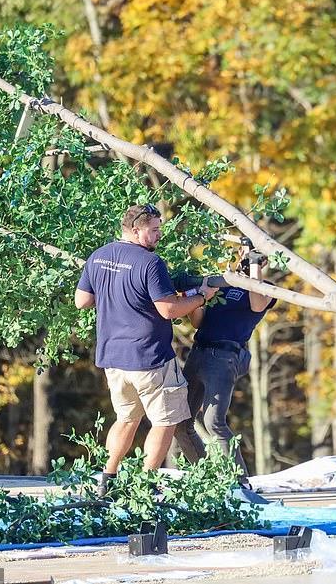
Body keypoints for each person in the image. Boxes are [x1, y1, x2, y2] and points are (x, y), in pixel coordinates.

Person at [75, 204, 218, 492]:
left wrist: (115, 294)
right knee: (165, 422)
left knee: (126, 419)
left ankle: (107, 479)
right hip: (149, 358)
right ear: (136, 229)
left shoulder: (99, 256)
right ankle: (146, 484)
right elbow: (168, 309)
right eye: (153, 230)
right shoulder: (150, 263)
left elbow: (82, 300)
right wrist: (201, 297)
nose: (158, 235)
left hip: (113, 358)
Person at [173, 247, 276, 481]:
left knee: (214, 423)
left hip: (223, 356)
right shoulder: (223, 283)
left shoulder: (265, 287)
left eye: (250, 257)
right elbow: (199, 322)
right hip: (198, 352)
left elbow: (258, 304)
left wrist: (255, 268)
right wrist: (198, 299)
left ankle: (239, 484)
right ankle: (209, 480)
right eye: (243, 255)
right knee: (180, 423)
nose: (244, 259)